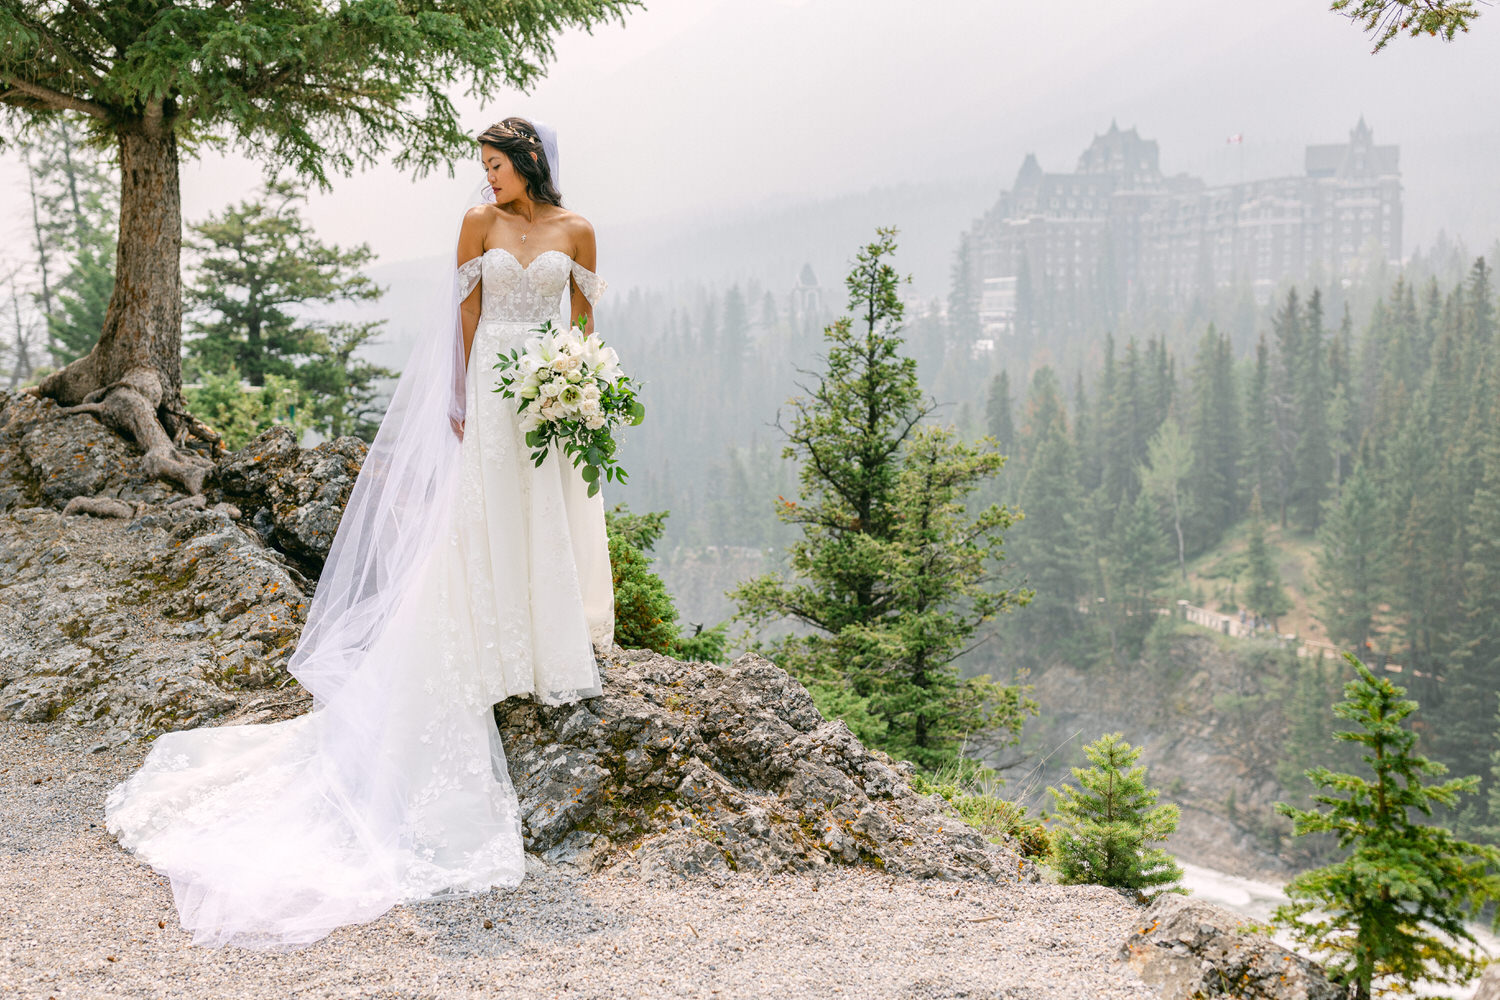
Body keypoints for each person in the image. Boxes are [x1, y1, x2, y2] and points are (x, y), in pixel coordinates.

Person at [103, 117, 613, 950]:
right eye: (482, 169)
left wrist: (580, 387)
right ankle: (488, 635)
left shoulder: (578, 231)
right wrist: (458, 395)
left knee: (540, 511)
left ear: (529, 165)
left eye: (497, 168)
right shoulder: (478, 226)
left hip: (548, 393)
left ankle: (546, 640)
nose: (487, 182)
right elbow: (466, 318)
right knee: (479, 518)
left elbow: (584, 325)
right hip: (490, 391)